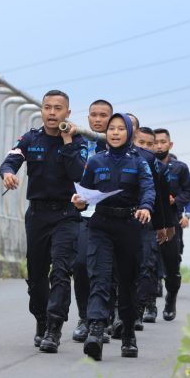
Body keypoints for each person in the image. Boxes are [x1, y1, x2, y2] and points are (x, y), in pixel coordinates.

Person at [0, 90, 88, 353]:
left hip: (66, 215)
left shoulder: (78, 141)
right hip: (37, 215)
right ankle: (41, 319)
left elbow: (78, 173)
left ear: (67, 113)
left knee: (61, 271)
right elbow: (10, 161)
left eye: (58, 108)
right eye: (47, 107)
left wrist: (68, 141)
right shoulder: (30, 139)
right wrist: (8, 174)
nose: (52, 113)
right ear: (41, 110)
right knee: (36, 276)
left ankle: (54, 327)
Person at [72, 113, 154, 361]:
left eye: (121, 128)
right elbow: (84, 193)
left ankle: (128, 334)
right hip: (101, 225)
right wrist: (79, 202)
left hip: (129, 226)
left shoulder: (139, 162)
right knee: (99, 277)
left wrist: (145, 207)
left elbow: (148, 189)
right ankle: (95, 331)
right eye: (111, 128)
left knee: (128, 283)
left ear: (129, 133)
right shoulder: (95, 161)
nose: (115, 132)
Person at [72, 99, 113, 344]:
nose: (98, 119)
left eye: (103, 115)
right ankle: (84, 318)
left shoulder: (116, 145)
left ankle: (103, 318)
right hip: (83, 213)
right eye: (94, 115)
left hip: (110, 213)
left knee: (107, 270)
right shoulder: (78, 143)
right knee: (80, 265)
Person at [130, 122, 175, 327]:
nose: (146, 148)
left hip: (149, 223)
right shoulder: (124, 161)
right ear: (133, 141)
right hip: (125, 221)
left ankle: (141, 309)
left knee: (147, 265)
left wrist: (166, 225)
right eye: (142, 143)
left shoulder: (160, 168)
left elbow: (163, 200)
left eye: (151, 144)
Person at [154, 129, 190, 320]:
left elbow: (189, 192)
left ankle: (171, 298)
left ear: (170, 145)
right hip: (149, 220)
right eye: (155, 142)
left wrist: (175, 201)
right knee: (148, 262)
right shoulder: (145, 164)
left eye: (163, 142)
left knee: (171, 264)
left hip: (171, 221)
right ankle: (148, 305)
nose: (159, 146)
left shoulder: (180, 168)